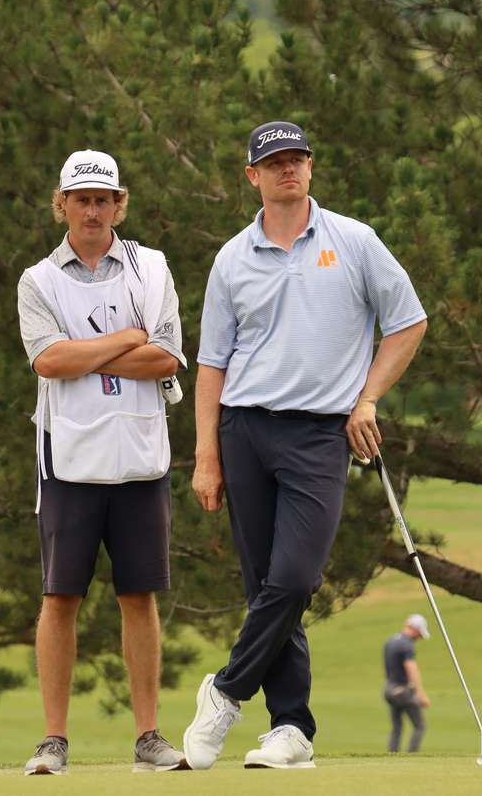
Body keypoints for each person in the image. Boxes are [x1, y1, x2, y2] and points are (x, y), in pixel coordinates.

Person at [181, 121, 428, 770]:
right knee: (263, 582)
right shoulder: (233, 257)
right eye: (275, 162)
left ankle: (226, 689)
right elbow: (211, 363)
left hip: (322, 431)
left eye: (298, 159)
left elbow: (409, 322)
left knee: (295, 577)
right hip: (244, 429)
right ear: (253, 176)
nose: (288, 169)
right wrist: (206, 453)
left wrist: (367, 396)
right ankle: (290, 726)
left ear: (311, 168)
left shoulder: (354, 242)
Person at [17, 149, 188, 775]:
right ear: (61, 204)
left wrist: (85, 351)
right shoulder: (38, 280)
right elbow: (48, 362)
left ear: (120, 204)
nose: (93, 209)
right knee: (60, 596)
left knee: (138, 595)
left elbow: (167, 358)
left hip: (140, 456)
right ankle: (53, 740)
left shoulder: (153, 268)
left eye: (103, 199)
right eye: (81, 198)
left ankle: (148, 736)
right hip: (68, 457)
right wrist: (124, 340)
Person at [383, 614, 432, 753]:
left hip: (389, 689)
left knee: (397, 727)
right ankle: (412, 755)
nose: (419, 638)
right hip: (402, 691)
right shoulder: (407, 645)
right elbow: (412, 670)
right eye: (420, 634)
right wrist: (420, 695)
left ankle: (391, 754)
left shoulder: (391, 640)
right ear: (415, 629)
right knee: (419, 726)